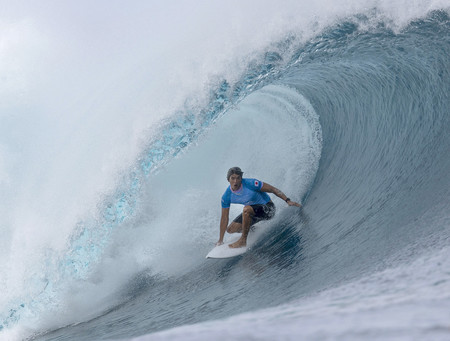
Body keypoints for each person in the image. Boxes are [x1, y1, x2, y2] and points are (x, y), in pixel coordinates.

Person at [217, 167, 302, 248]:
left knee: (246, 209)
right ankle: (252, 229)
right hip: (253, 213)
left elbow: (272, 189)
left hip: (268, 209)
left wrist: (287, 200)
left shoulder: (251, 183)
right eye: (233, 178)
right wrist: (220, 240)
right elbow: (224, 218)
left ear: (241, 179)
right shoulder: (226, 196)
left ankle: (242, 241)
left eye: (238, 178)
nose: (235, 181)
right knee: (231, 229)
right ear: (228, 179)